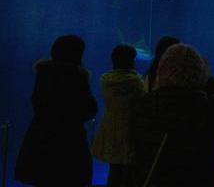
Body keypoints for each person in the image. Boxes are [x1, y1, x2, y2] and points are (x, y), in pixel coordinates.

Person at [132, 43, 214, 187]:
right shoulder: (207, 107)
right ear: (199, 73)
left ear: (162, 70)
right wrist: (209, 81)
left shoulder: (143, 106)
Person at [15, 35, 98, 187]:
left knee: (45, 179)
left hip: (41, 137)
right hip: (70, 141)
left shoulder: (43, 73)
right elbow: (89, 109)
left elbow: (37, 103)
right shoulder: (78, 76)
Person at [92, 44, 146, 187]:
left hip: (110, 126)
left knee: (114, 167)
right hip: (129, 128)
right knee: (128, 170)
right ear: (131, 61)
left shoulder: (105, 80)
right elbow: (143, 102)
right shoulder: (135, 82)